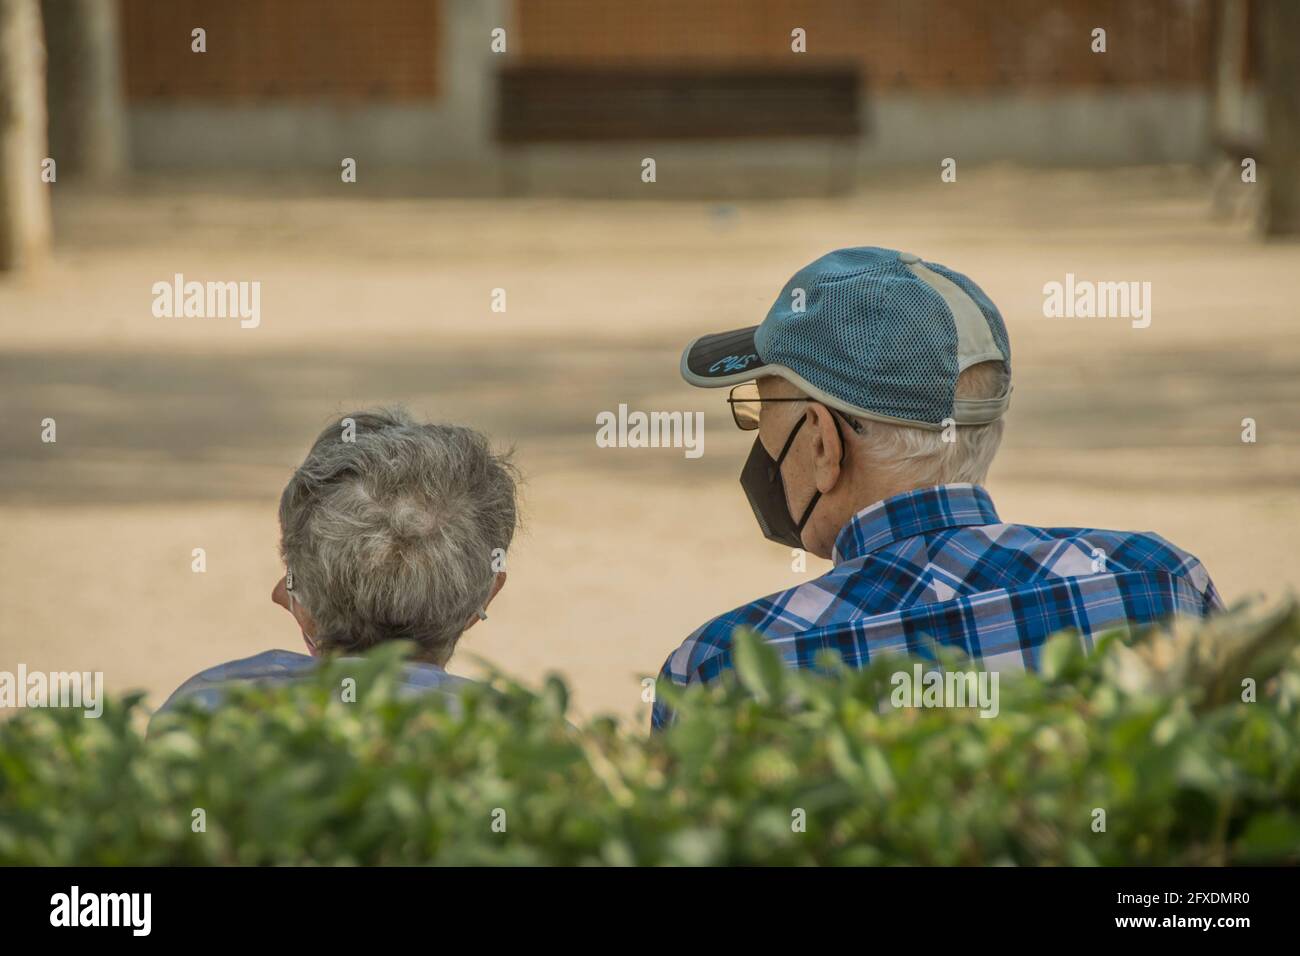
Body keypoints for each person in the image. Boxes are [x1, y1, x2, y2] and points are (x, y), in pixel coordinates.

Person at [652, 246, 1221, 729]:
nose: (757, 433)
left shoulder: (723, 669)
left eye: (761, 406)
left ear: (824, 442)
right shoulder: (1161, 586)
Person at [154, 407, 518, 723]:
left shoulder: (200, 711)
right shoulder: (536, 748)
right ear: (485, 595)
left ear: (300, 605)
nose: (280, 593)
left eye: (293, 581)